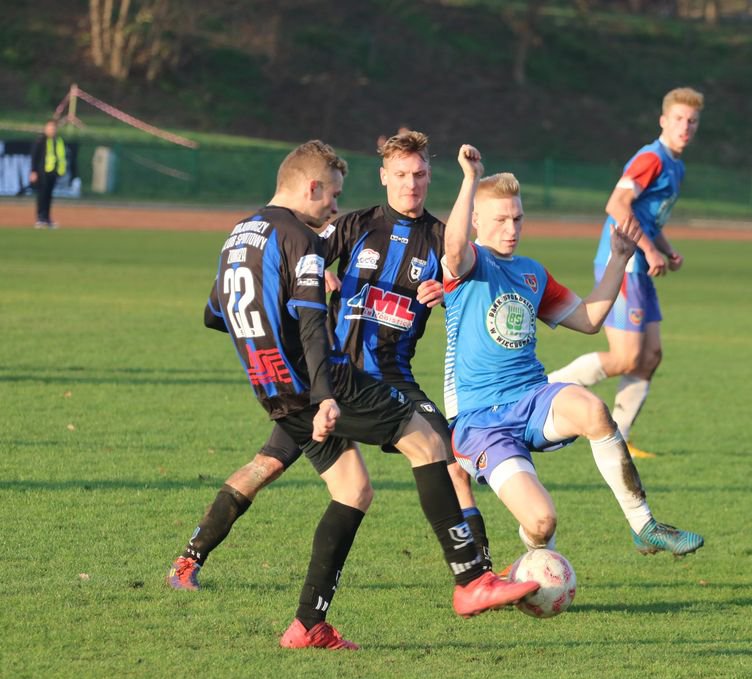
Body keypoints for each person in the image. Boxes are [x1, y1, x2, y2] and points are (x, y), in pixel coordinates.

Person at [173, 139, 537, 651]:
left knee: (359, 488)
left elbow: (217, 311)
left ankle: (308, 625)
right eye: (401, 174)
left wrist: (444, 290)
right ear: (382, 176)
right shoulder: (329, 230)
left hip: (304, 383)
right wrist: (323, 380)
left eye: (420, 174)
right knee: (425, 445)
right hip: (331, 379)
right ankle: (473, 579)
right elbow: (309, 309)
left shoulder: (247, 232)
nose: (411, 183)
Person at [439, 144, 704, 559]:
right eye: (501, 219)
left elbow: (589, 319)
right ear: (476, 220)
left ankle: (644, 526)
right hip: (481, 420)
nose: (511, 228)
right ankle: (538, 561)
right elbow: (455, 249)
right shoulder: (469, 265)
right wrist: (470, 179)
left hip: (532, 397)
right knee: (542, 523)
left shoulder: (532, 272)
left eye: (517, 218)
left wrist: (618, 259)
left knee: (593, 410)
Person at [547, 87, 704, 459]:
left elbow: (648, 218)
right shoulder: (651, 158)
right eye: (678, 119)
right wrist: (648, 249)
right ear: (663, 120)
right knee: (626, 357)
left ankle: (622, 439)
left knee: (651, 355)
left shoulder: (676, 164)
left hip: (641, 265)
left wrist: (665, 249)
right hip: (624, 262)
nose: (685, 127)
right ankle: (543, 389)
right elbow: (617, 205)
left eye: (692, 121)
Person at [29, 119, 67, 229]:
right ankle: (40, 218)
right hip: (42, 172)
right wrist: (33, 171)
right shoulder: (41, 140)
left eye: (54, 128)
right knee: (42, 195)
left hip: (53, 172)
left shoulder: (58, 140)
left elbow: (61, 157)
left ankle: (47, 218)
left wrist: (61, 170)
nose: (52, 130)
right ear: (45, 129)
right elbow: (34, 156)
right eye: (50, 128)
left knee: (49, 196)